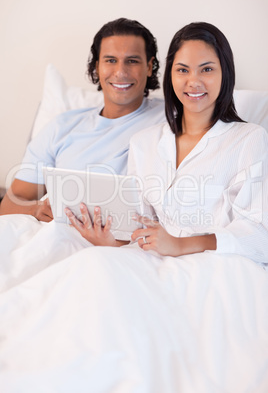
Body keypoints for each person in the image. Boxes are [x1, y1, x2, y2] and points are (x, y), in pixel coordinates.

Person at [66, 21, 268, 265]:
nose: (193, 81)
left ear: (225, 73)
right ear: (170, 74)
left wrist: (179, 245)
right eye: (182, 70)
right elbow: (139, 227)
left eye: (206, 70)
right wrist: (109, 242)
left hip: (214, 271)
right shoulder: (144, 142)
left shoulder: (249, 139)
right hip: (151, 266)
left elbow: (260, 236)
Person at [0, 18, 165, 222]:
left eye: (132, 61)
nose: (121, 72)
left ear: (149, 67)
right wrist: (36, 210)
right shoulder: (62, 126)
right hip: (59, 235)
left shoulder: (173, 119)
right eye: (110, 60)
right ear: (97, 67)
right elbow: (11, 202)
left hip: (127, 244)